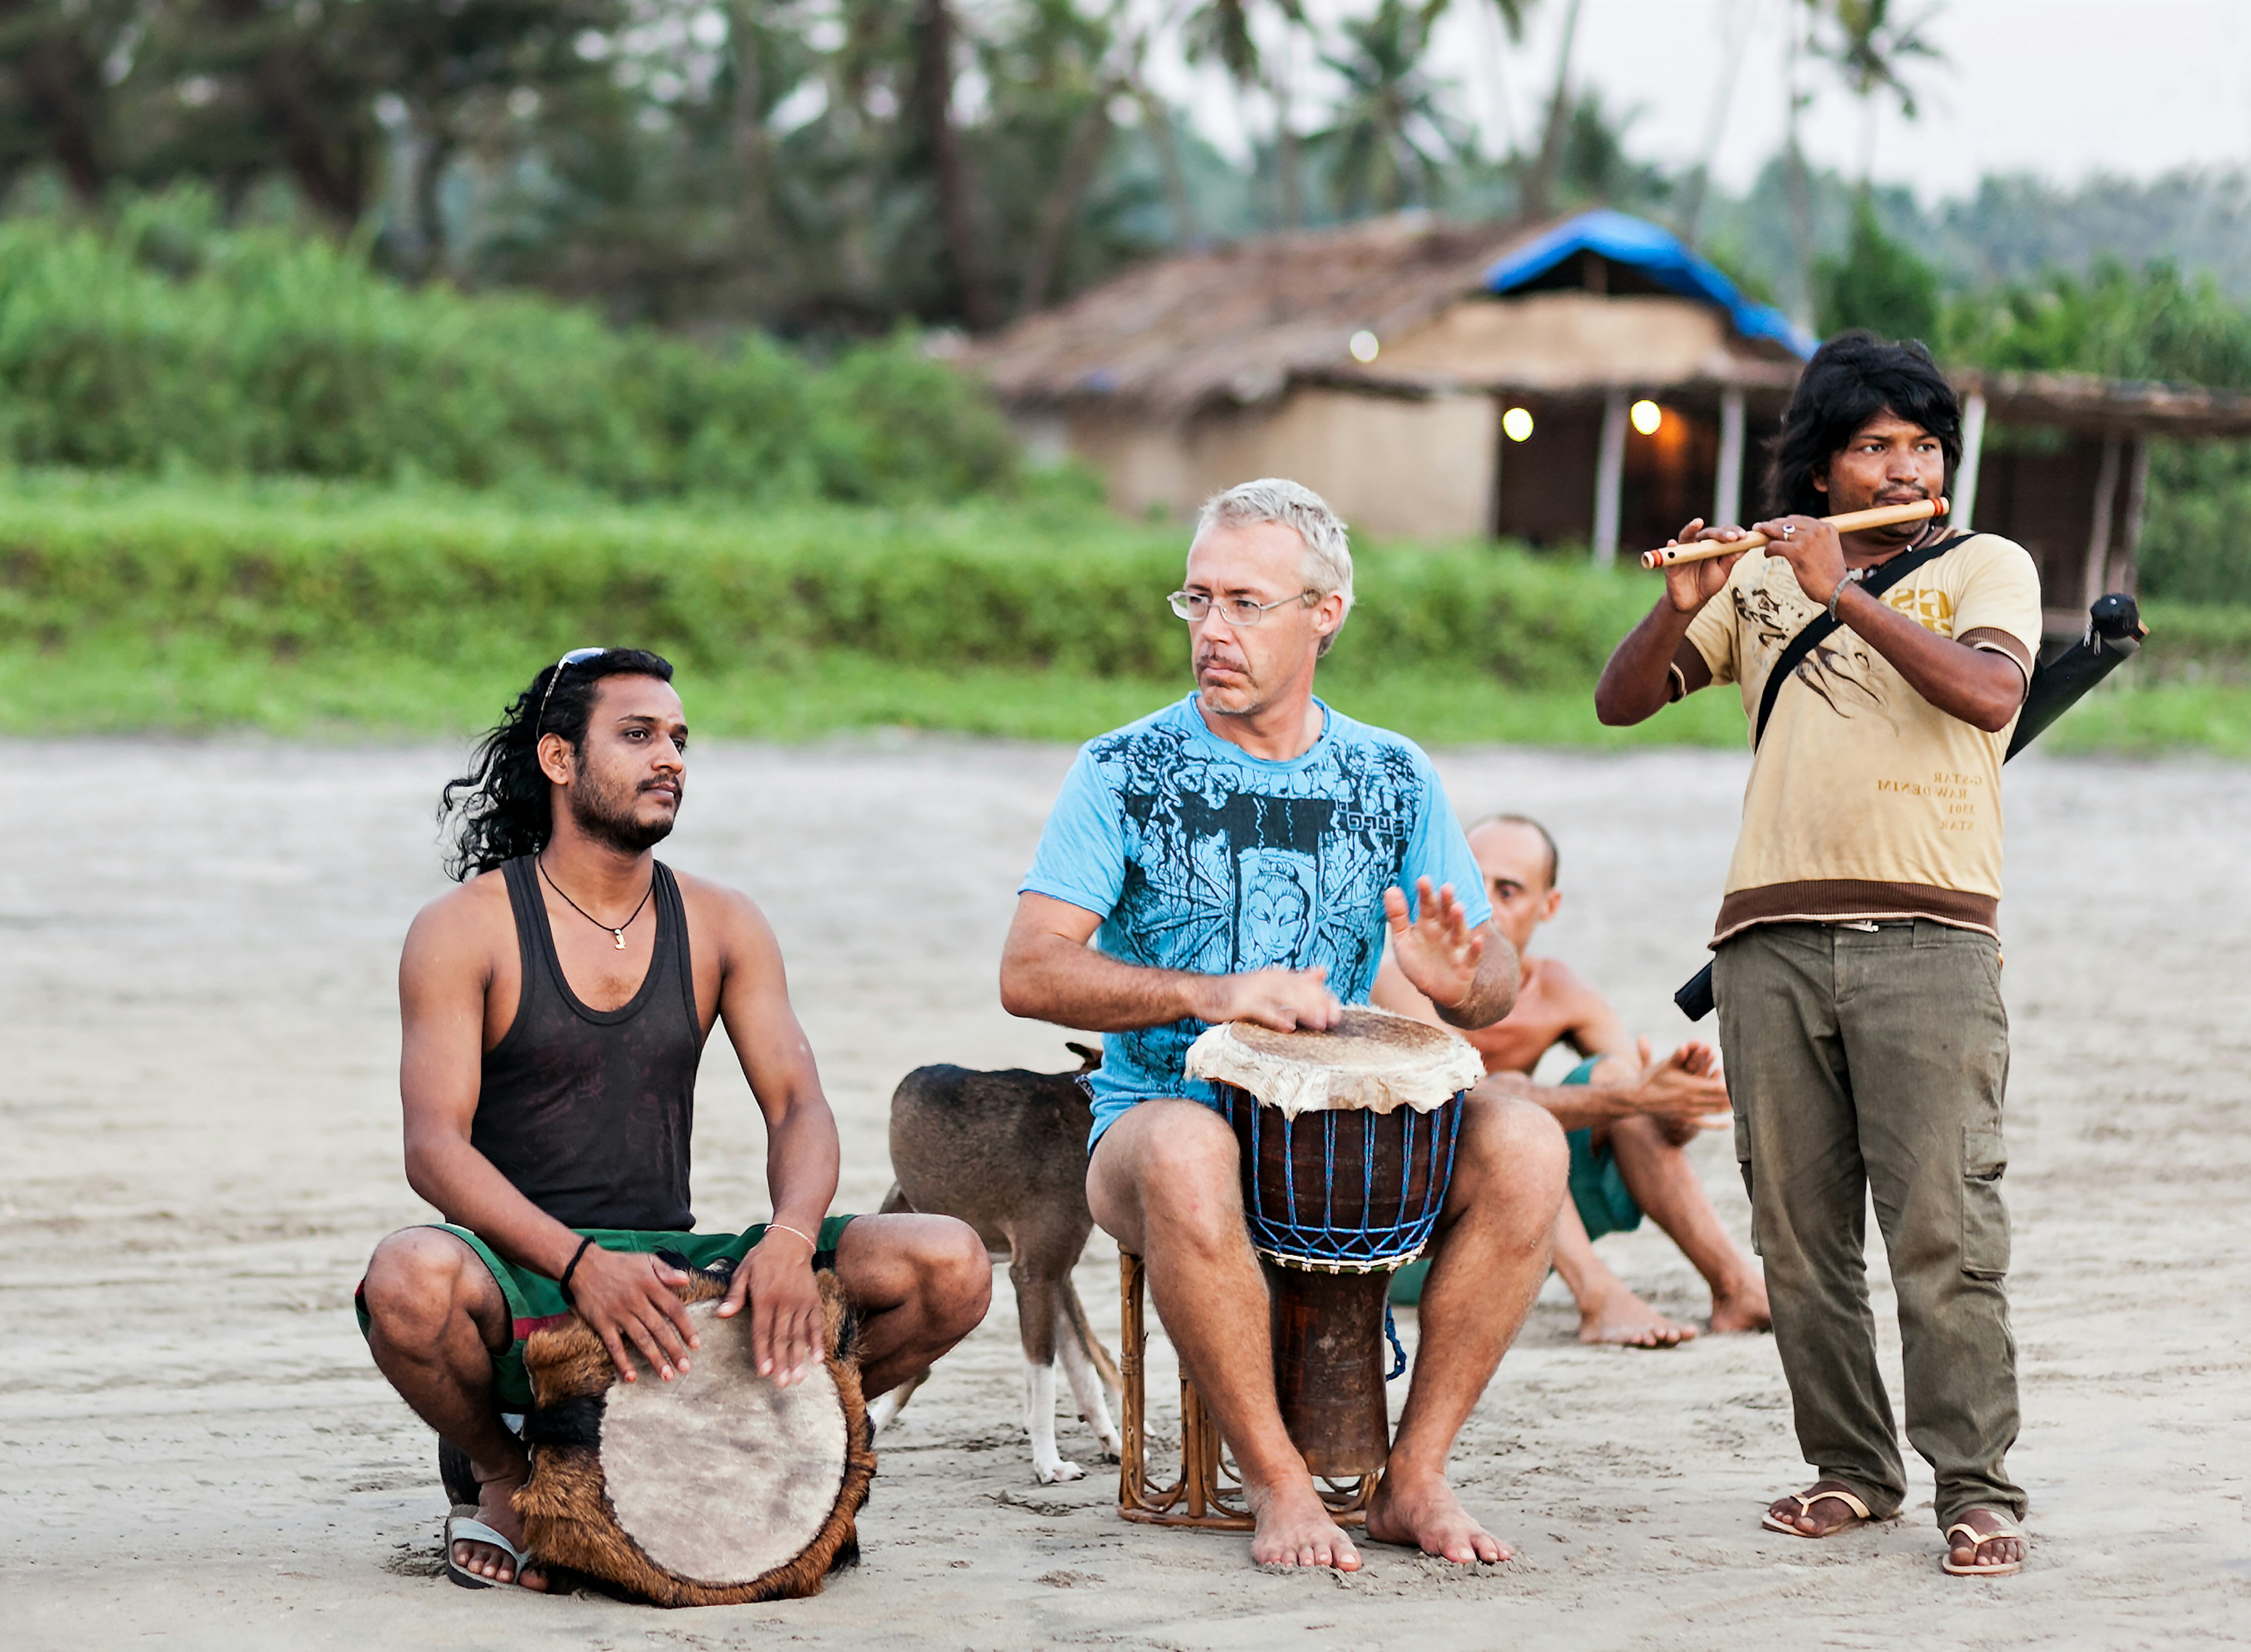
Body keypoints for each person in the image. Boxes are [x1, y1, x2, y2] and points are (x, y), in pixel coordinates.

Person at [998, 479, 1569, 1573]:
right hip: (1152, 1128)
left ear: (1325, 614)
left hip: (1348, 1137)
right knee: (1185, 1142)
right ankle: (1279, 1481)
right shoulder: (1122, 769)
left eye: (1246, 603)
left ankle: (1416, 1477)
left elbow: (1492, 984)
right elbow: (1028, 971)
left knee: (1527, 1138)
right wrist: (1209, 991)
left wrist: (1462, 974)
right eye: (1197, 599)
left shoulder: (1393, 773)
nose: (1213, 629)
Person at [356, 648, 991, 1592]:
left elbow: (798, 1104)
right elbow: (434, 1147)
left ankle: (779, 1445)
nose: (672, 759)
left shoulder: (724, 920)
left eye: (681, 740)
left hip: (680, 1276)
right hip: (530, 1273)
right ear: (560, 758)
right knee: (407, 1279)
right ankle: (506, 1471)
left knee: (949, 1261)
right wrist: (578, 1264)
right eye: (640, 735)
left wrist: (787, 1238)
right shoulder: (466, 927)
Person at [1593, 333, 2040, 1578]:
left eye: (1921, 443)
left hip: (1931, 933)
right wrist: (1680, 603)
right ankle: (1852, 1465)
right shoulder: (1755, 581)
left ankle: (1978, 1483)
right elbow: (1620, 702)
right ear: (1826, 465)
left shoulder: (1987, 564)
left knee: (1944, 1225)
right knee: (1798, 1235)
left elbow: (1994, 697)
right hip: (1768, 938)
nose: (1905, 462)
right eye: (1873, 445)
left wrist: (1842, 588)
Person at [1373, 814, 1771, 1347]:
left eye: (1509, 890)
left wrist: (1675, 1106)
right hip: (1408, 1239)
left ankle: (1735, 1287)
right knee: (1517, 1110)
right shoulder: (1402, 975)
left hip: (1521, 1228)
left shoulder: (1559, 990)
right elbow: (1465, 1101)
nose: (1484, 905)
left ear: (1549, 906)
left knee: (1612, 1077)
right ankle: (1600, 1298)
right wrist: (1633, 1093)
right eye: (1474, 881)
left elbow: (1643, 1109)